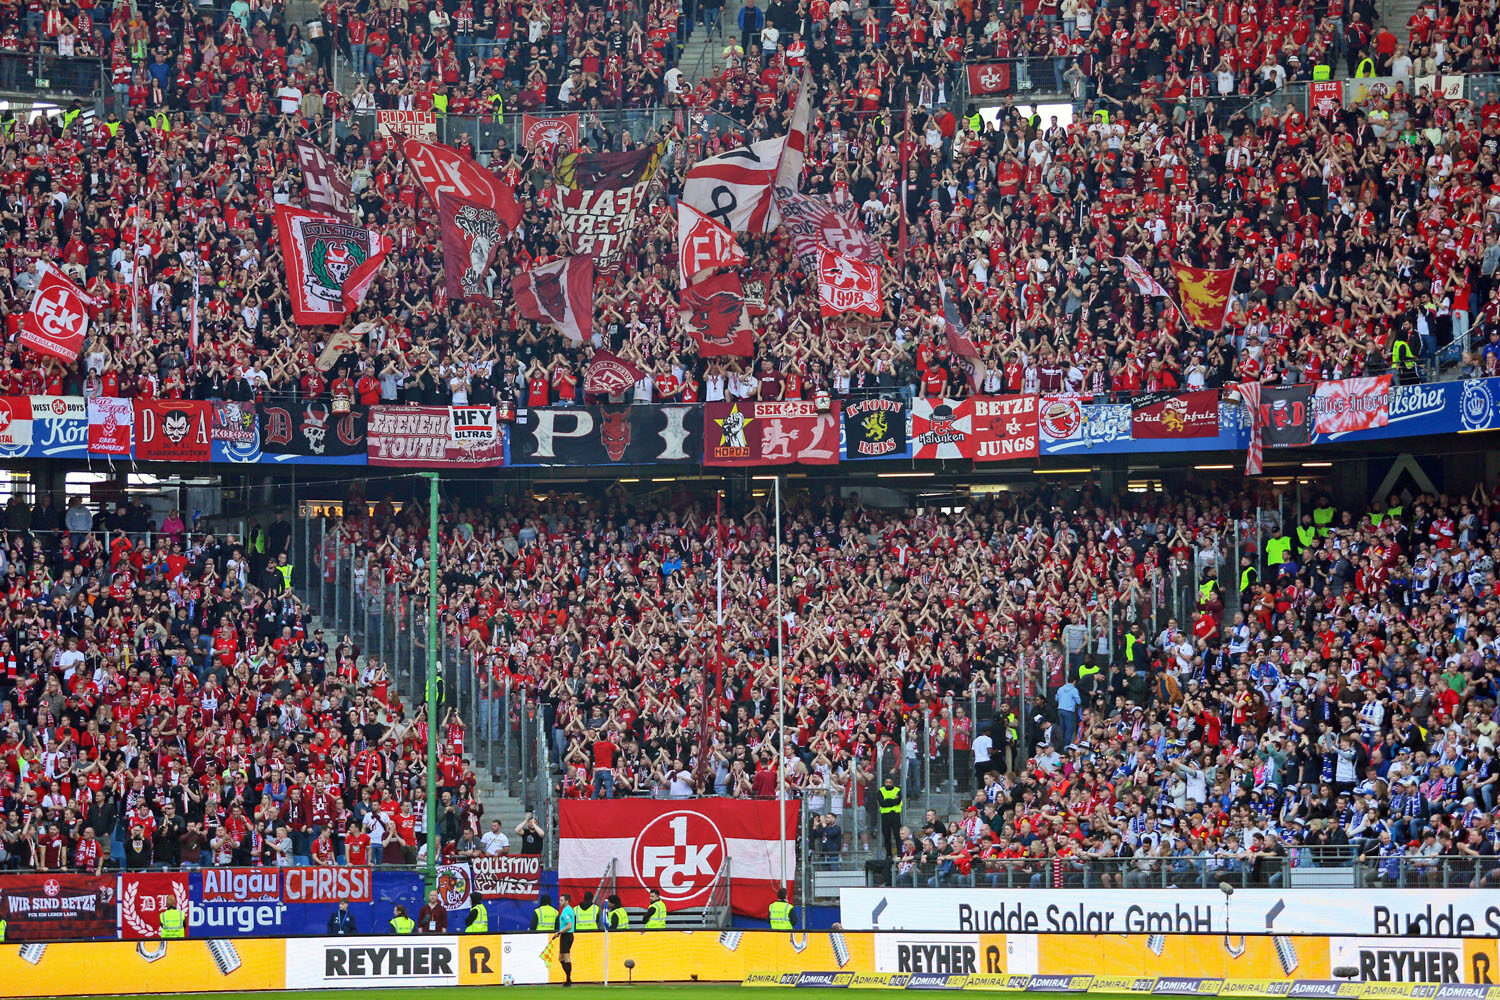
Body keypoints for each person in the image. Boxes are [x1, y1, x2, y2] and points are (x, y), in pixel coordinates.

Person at [555, 893, 577, 987]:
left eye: (562, 900)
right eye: (560, 900)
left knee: (566, 957)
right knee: (561, 958)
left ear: (567, 901)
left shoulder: (567, 911)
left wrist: (559, 932)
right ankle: (568, 978)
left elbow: (569, 926)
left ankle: (568, 980)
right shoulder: (567, 910)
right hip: (566, 936)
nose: (560, 902)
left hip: (566, 936)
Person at [878, 776, 903, 856]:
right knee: (886, 836)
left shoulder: (897, 790)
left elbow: (898, 801)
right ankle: (889, 854)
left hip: (895, 815)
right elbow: (882, 803)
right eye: (887, 782)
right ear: (884, 783)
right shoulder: (880, 791)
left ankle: (900, 854)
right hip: (885, 816)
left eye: (890, 782)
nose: (888, 784)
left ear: (893, 783)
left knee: (897, 835)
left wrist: (887, 801)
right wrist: (892, 801)